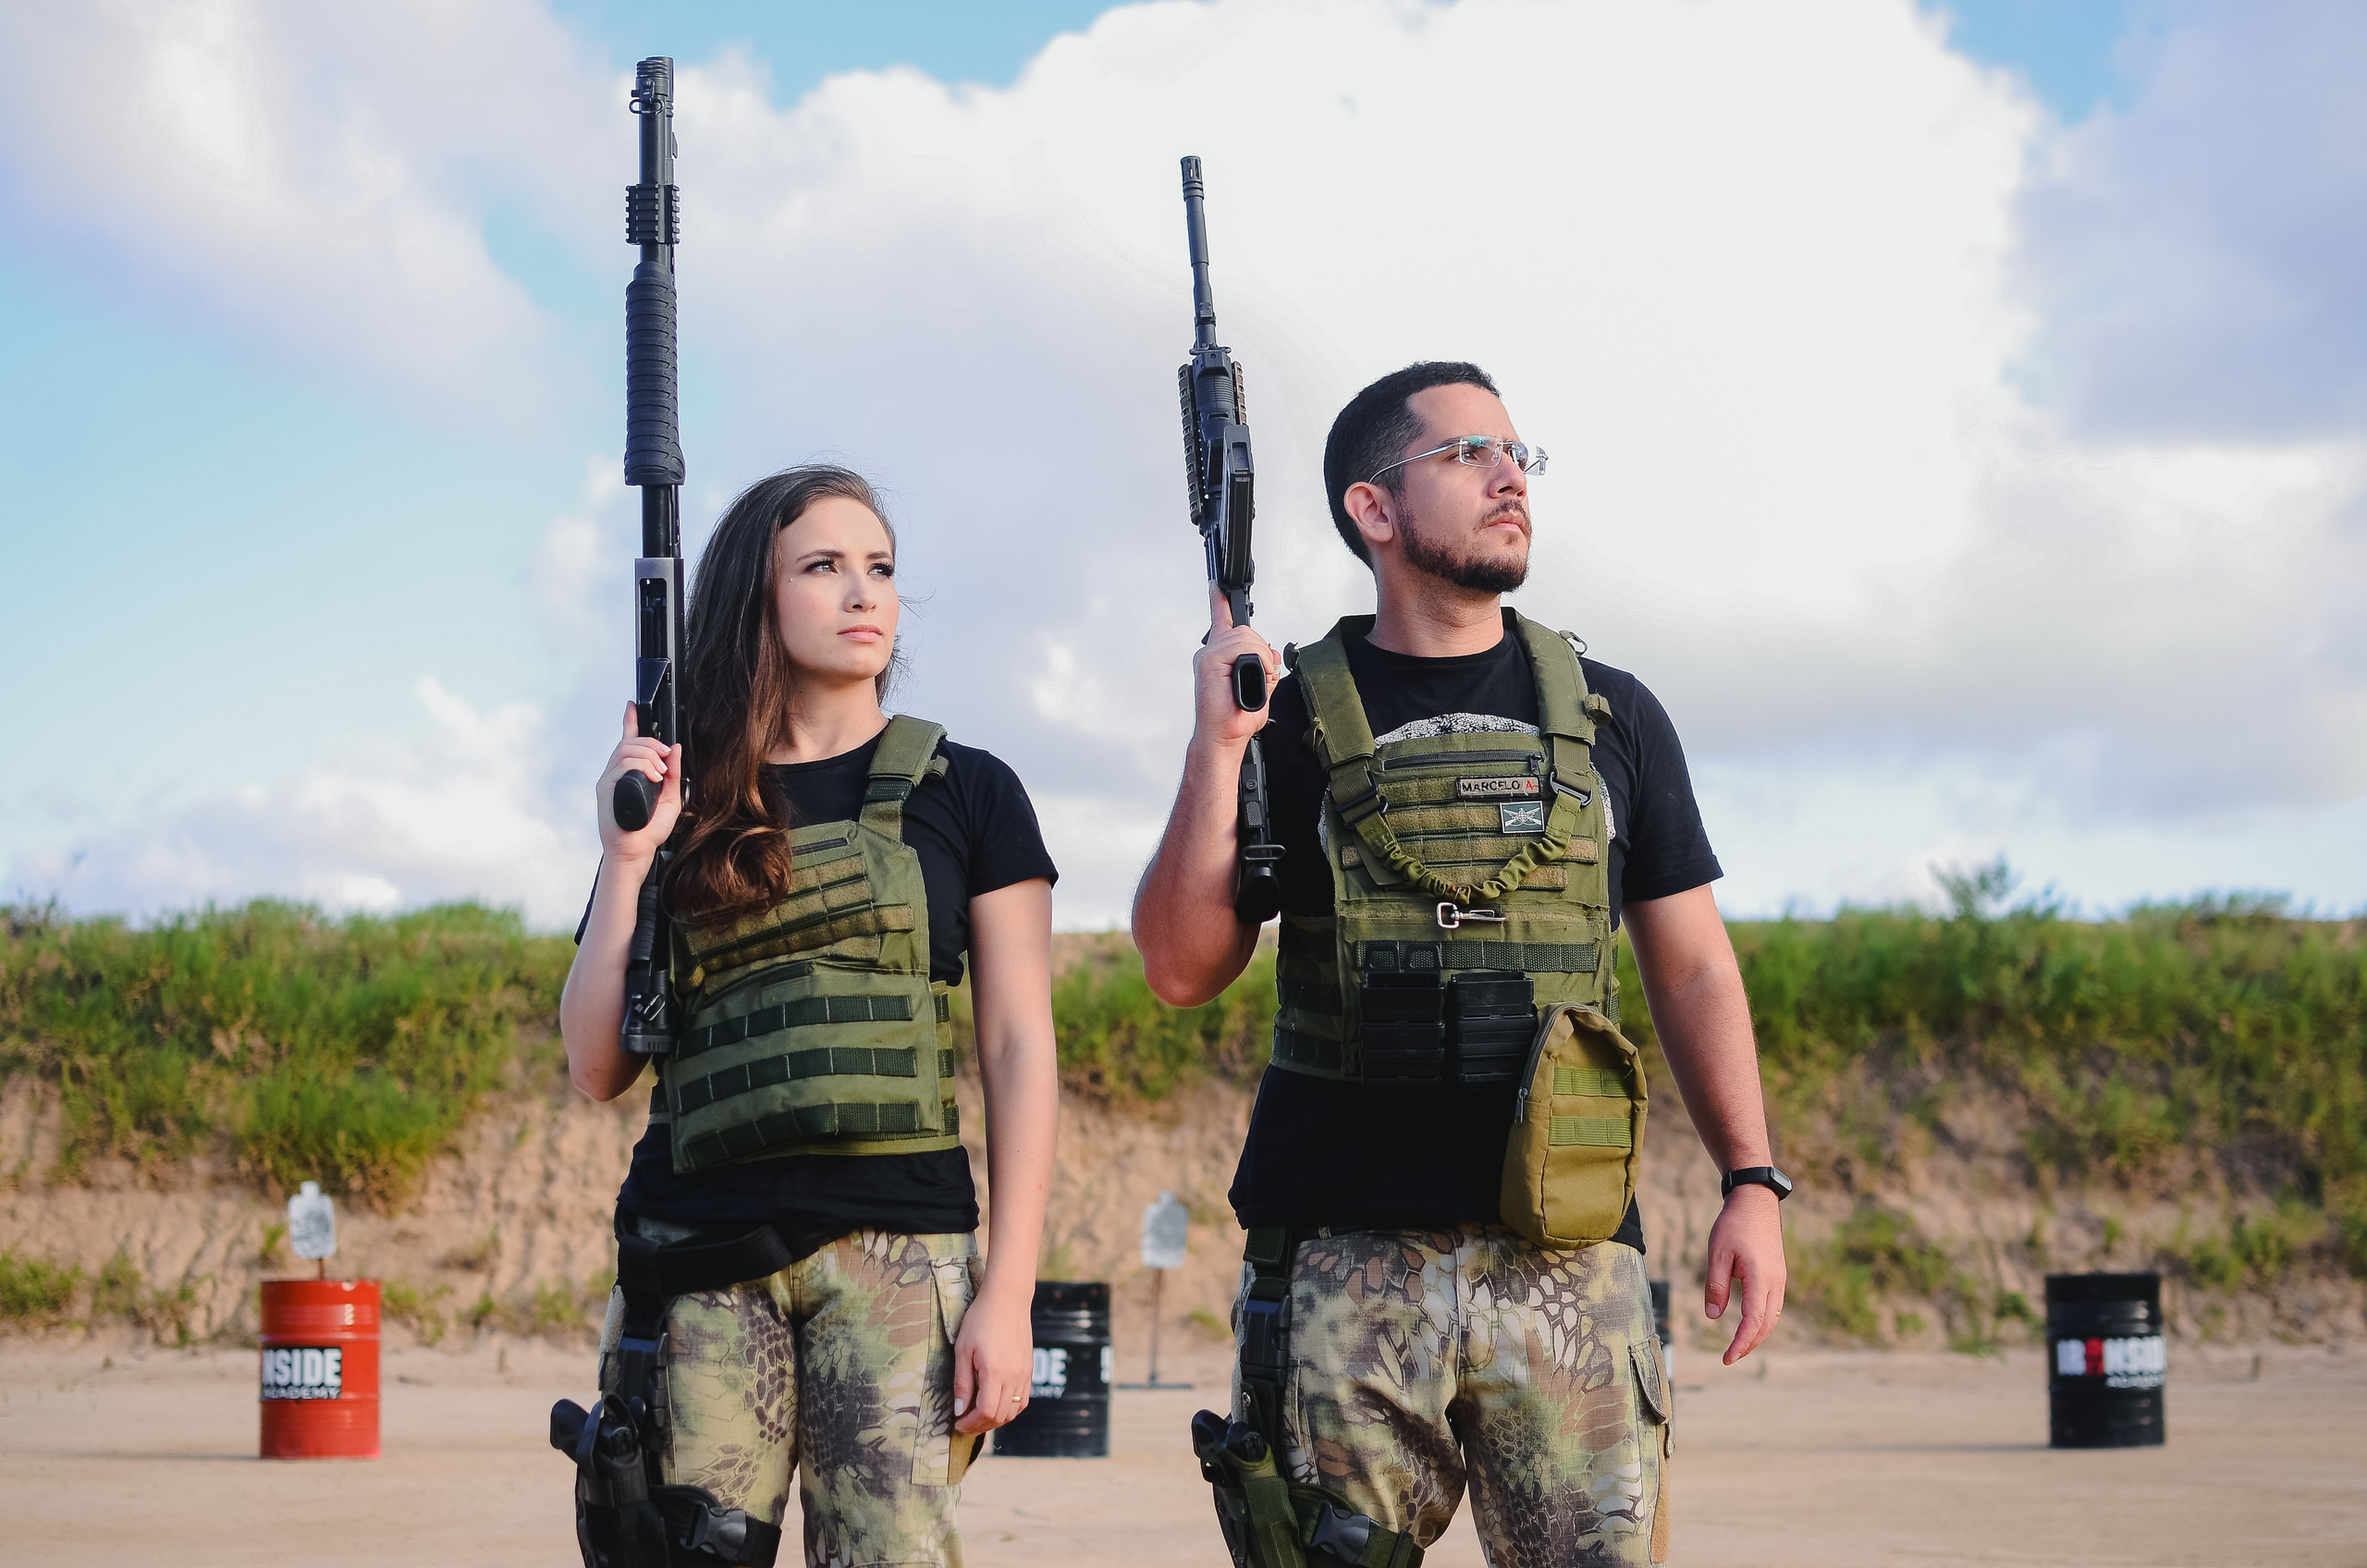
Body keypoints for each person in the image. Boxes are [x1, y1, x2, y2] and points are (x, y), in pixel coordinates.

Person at [1133, 363, 1789, 1567]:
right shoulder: (1278, 718)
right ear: (1373, 510)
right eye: (1467, 453)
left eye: (1518, 456)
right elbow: (1180, 967)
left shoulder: (1612, 716)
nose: (1508, 478)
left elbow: (1692, 968)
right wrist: (1216, 749)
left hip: (1571, 1252)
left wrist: (1753, 1179)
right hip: (1341, 1252)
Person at [561, 465, 1058, 1568]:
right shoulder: (681, 798)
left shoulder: (968, 791)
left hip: (900, 1256)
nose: (862, 593)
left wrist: (1010, 1291)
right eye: (823, 567)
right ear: (757, 596)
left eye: (878, 568)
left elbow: (1021, 1049)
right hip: (697, 1260)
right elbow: (596, 1064)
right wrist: (626, 854)